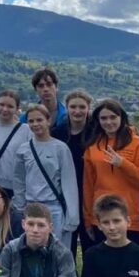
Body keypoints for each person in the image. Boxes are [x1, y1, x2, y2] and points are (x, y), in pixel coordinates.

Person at [82, 99, 139, 249]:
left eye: (113, 117)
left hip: (132, 218)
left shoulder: (138, 143)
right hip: (102, 217)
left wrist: (122, 164)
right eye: (103, 118)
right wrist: (88, 218)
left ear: (121, 117)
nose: (108, 122)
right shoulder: (92, 146)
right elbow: (88, 186)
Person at [14, 104, 79, 244]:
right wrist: (20, 206)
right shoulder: (23, 149)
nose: (35, 124)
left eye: (39, 120)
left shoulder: (61, 148)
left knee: (56, 250)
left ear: (48, 121)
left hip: (54, 206)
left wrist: (72, 216)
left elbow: (69, 182)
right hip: (31, 206)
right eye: (31, 121)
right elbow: (19, 180)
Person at [52, 89, 94, 255]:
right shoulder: (57, 133)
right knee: (66, 246)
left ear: (88, 108)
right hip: (64, 195)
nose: (77, 111)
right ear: (67, 108)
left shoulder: (96, 132)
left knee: (90, 243)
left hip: (90, 193)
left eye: (82, 107)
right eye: (73, 107)